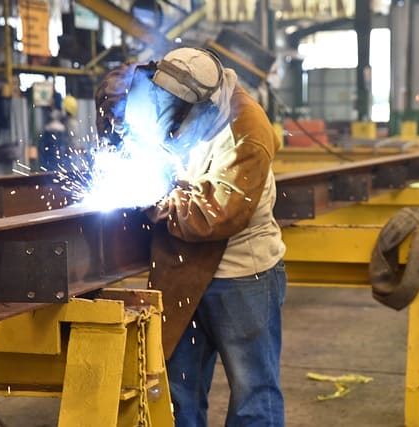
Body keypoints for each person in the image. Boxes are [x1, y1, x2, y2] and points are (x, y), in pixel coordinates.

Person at [94, 47, 287, 426]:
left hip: (241, 276)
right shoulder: (170, 87)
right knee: (176, 394)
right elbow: (121, 100)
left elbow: (213, 216)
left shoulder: (247, 130)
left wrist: (157, 198)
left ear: (206, 102)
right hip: (181, 273)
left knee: (254, 396)